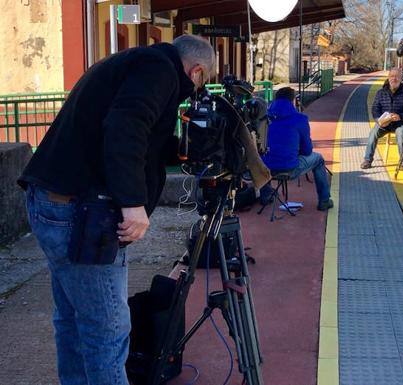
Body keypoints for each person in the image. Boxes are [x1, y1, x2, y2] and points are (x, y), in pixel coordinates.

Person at [17, 34, 216, 385]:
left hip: (52, 200)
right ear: (196, 71)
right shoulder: (159, 71)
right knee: (107, 330)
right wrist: (133, 203)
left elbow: (135, 133)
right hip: (80, 213)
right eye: (201, 83)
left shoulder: (133, 62)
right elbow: (125, 129)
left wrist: (181, 150)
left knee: (74, 320)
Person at [259, 86, 333, 211]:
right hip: (289, 168)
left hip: (265, 170)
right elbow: (307, 150)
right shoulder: (300, 119)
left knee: (266, 157)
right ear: (293, 101)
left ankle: (266, 195)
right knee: (318, 159)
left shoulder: (264, 118)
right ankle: (324, 200)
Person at [361, 67, 403, 170]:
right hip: (384, 124)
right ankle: (367, 160)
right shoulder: (381, 92)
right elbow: (375, 109)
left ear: (401, 78)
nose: (394, 79)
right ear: (388, 77)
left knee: (400, 134)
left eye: (397, 76)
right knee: (373, 133)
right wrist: (379, 120)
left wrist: (400, 116)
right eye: (392, 76)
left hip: (401, 123)